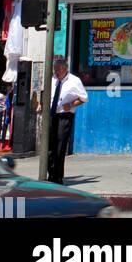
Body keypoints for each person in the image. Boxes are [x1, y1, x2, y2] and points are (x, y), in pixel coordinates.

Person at [47, 56, 88, 184]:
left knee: (60, 146)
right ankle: (50, 174)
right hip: (52, 115)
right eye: (54, 70)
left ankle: (58, 177)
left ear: (64, 69)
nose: (56, 73)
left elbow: (84, 98)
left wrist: (71, 105)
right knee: (49, 146)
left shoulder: (74, 81)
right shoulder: (52, 80)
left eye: (58, 71)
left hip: (65, 116)